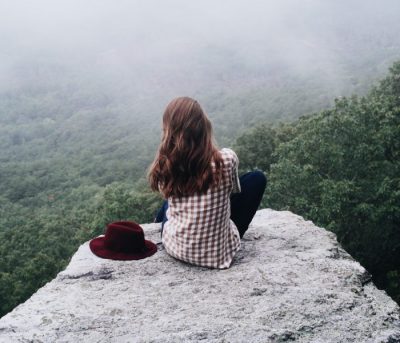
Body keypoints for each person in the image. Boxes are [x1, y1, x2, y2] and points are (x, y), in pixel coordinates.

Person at [148, 96, 266, 269]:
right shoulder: (227, 159)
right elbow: (233, 192)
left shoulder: (166, 166)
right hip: (219, 255)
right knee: (256, 179)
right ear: (204, 126)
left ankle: (158, 220)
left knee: (169, 202)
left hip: (177, 248)